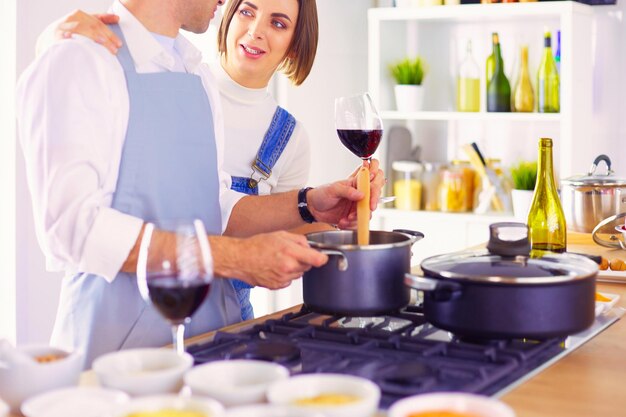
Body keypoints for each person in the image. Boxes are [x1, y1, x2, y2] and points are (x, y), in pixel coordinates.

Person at [16, 0, 384, 367]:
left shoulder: (196, 75)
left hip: (205, 345)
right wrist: (234, 258)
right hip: (114, 358)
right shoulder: (79, 61)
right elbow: (71, 230)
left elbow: (212, 201)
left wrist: (308, 204)